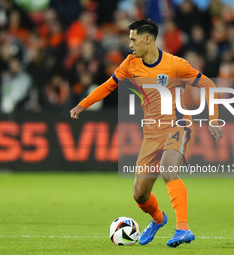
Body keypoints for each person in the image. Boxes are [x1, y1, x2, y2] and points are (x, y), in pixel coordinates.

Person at [70, 18, 223, 247]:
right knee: (140, 195)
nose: (130, 44)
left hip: (178, 126)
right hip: (151, 134)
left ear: (147, 39)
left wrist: (214, 119)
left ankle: (183, 229)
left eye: (133, 39)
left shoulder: (175, 65)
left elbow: (208, 85)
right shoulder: (130, 64)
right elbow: (108, 85)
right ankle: (159, 219)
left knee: (168, 170)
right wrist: (83, 104)